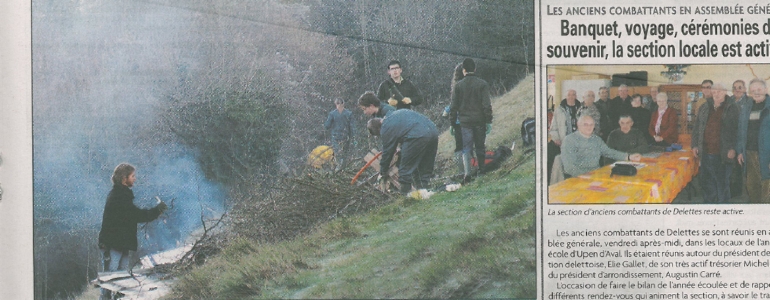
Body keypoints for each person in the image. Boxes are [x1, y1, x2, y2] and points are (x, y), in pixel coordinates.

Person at [98, 163, 167, 300]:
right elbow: (137, 215)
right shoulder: (119, 196)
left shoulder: (122, 195)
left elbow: (133, 216)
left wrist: (156, 211)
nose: (135, 179)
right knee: (110, 280)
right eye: (132, 176)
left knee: (121, 280)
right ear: (124, 178)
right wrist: (157, 210)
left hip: (120, 243)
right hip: (113, 244)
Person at [367, 109, 439, 194]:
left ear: (377, 130)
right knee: (425, 164)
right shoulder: (393, 115)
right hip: (433, 131)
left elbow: (387, 153)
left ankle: (407, 194)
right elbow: (407, 129)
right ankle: (424, 189)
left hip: (417, 136)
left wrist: (383, 171)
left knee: (405, 170)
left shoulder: (385, 128)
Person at [692, 83, 739, 203]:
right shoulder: (704, 106)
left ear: (725, 92)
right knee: (707, 183)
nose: (716, 94)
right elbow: (697, 128)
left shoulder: (732, 107)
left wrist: (733, 148)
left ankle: (723, 210)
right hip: (706, 153)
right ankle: (710, 207)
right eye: (714, 91)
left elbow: (738, 130)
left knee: (722, 184)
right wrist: (694, 145)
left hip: (723, 154)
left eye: (719, 91)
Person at [449, 58, 493, 182]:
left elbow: (453, 107)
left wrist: (452, 123)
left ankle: (467, 174)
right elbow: (487, 105)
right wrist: (488, 121)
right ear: (474, 69)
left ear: (463, 70)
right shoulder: (482, 84)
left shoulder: (458, 86)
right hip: (480, 121)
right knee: (480, 146)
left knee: (466, 147)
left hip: (465, 123)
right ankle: (481, 170)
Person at [560, 115, 642, 178]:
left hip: (596, 174)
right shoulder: (569, 140)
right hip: (577, 177)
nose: (589, 127)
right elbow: (569, 167)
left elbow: (609, 152)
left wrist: (629, 156)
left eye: (591, 124)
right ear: (578, 125)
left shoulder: (596, 139)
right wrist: (587, 175)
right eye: (585, 124)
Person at [736, 78, 770, 203]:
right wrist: (740, 151)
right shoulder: (747, 107)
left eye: (759, 89)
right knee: (752, 187)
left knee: (767, 189)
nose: (756, 92)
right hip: (749, 154)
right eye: (753, 90)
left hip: (766, 155)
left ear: (766, 90)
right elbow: (741, 131)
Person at [547, 89, 581, 182]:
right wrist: (556, 139)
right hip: (563, 143)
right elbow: (553, 129)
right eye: (569, 95)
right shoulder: (559, 110)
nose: (571, 97)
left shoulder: (581, 109)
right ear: (566, 96)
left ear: (576, 96)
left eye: (573, 94)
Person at [442, 63, 465, 176]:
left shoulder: (456, 86)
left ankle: (462, 171)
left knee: (460, 146)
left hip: (459, 121)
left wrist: (447, 111)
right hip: (469, 119)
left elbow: (454, 104)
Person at [324, 98, 356, 170]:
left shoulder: (333, 114)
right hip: (344, 136)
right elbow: (352, 127)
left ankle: (339, 168)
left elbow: (327, 125)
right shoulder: (348, 113)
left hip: (338, 136)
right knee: (343, 153)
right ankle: (342, 168)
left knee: (338, 153)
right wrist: (353, 136)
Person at [730, 80, 748, 197]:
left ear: (745, 89)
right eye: (735, 87)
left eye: (740, 87)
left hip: (743, 138)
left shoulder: (749, 102)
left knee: (741, 167)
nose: (737, 89)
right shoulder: (729, 100)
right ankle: (731, 191)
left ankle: (738, 193)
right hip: (729, 139)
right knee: (731, 167)